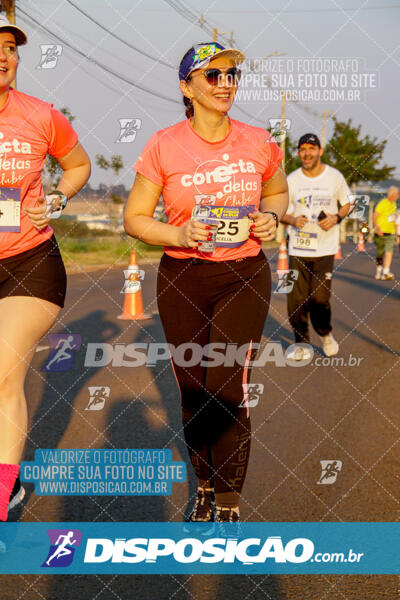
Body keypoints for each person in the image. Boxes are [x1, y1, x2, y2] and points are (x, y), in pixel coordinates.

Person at [124, 42, 288, 523]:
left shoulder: (259, 140)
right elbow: (134, 219)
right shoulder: (163, 144)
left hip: (244, 274)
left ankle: (230, 500)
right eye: (212, 76)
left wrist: (271, 218)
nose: (225, 84)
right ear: (186, 87)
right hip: (183, 277)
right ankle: (205, 488)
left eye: (231, 75)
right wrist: (176, 232)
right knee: (193, 389)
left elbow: (276, 192)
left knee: (227, 384)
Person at [0, 16, 90, 521]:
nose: (3, 56)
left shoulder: (40, 115)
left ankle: (3, 491)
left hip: (29, 263)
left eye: (10, 47)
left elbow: (78, 165)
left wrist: (56, 197)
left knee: (2, 375)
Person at [280, 133, 350, 360]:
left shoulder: (334, 177)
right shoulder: (292, 179)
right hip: (298, 249)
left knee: (319, 298)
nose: (306, 153)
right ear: (299, 153)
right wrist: (292, 220)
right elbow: (279, 209)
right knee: (296, 300)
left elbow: (348, 202)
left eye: (311, 148)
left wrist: (336, 218)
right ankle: (301, 343)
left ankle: (325, 334)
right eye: (302, 149)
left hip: (325, 248)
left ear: (320, 151)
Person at [373, 186, 399, 280]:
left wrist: (396, 233)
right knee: (380, 253)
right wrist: (377, 228)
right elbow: (374, 215)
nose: (398, 196)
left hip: (390, 232)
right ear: (392, 194)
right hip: (380, 232)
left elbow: (394, 218)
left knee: (389, 252)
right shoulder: (383, 203)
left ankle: (385, 272)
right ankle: (379, 269)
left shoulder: (394, 204)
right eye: (397, 194)